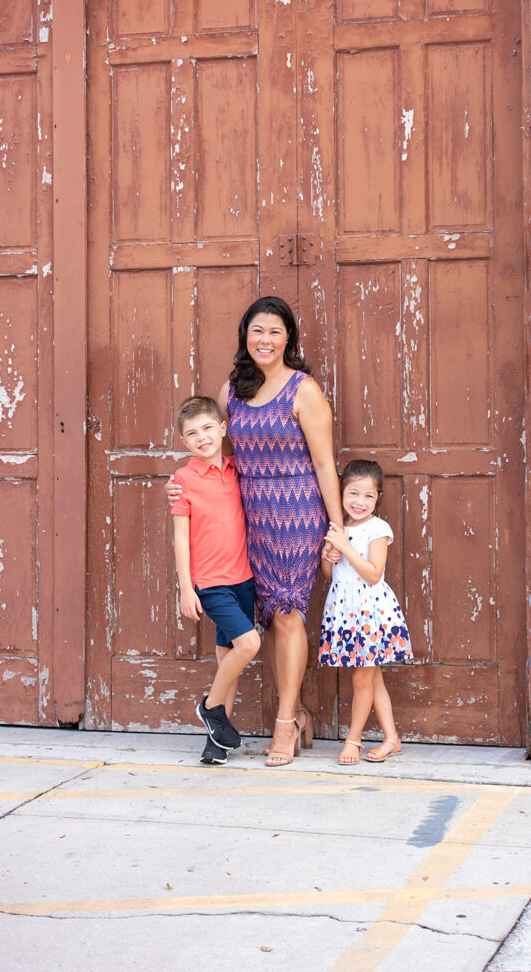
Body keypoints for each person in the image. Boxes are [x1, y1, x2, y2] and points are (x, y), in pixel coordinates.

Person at [168, 297, 342, 767]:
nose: (265, 341)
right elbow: (212, 451)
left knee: (287, 615)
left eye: (275, 332)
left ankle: (285, 721)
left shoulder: (303, 390)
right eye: (257, 331)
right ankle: (257, 720)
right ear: (246, 336)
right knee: (248, 623)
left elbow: (325, 462)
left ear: (289, 339)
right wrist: (182, 485)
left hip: (294, 512)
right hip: (245, 515)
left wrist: (337, 527)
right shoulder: (232, 391)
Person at [171, 395, 260, 765]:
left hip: (244, 580)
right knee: (249, 645)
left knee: (229, 658)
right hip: (211, 584)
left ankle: (217, 743)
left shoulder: (238, 469)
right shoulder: (183, 480)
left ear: (224, 428)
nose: (202, 437)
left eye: (208, 427)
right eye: (192, 433)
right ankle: (210, 708)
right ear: (184, 442)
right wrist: (185, 588)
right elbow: (180, 536)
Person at [318, 459, 413, 765]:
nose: (360, 502)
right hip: (345, 611)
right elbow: (330, 576)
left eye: (368, 496)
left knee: (361, 680)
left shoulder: (377, 528)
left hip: (371, 613)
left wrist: (345, 548)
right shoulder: (339, 528)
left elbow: (373, 574)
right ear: (341, 493)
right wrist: (328, 556)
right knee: (373, 680)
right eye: (353, 494)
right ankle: (391, 739)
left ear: (378, 498)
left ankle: (353, 740)